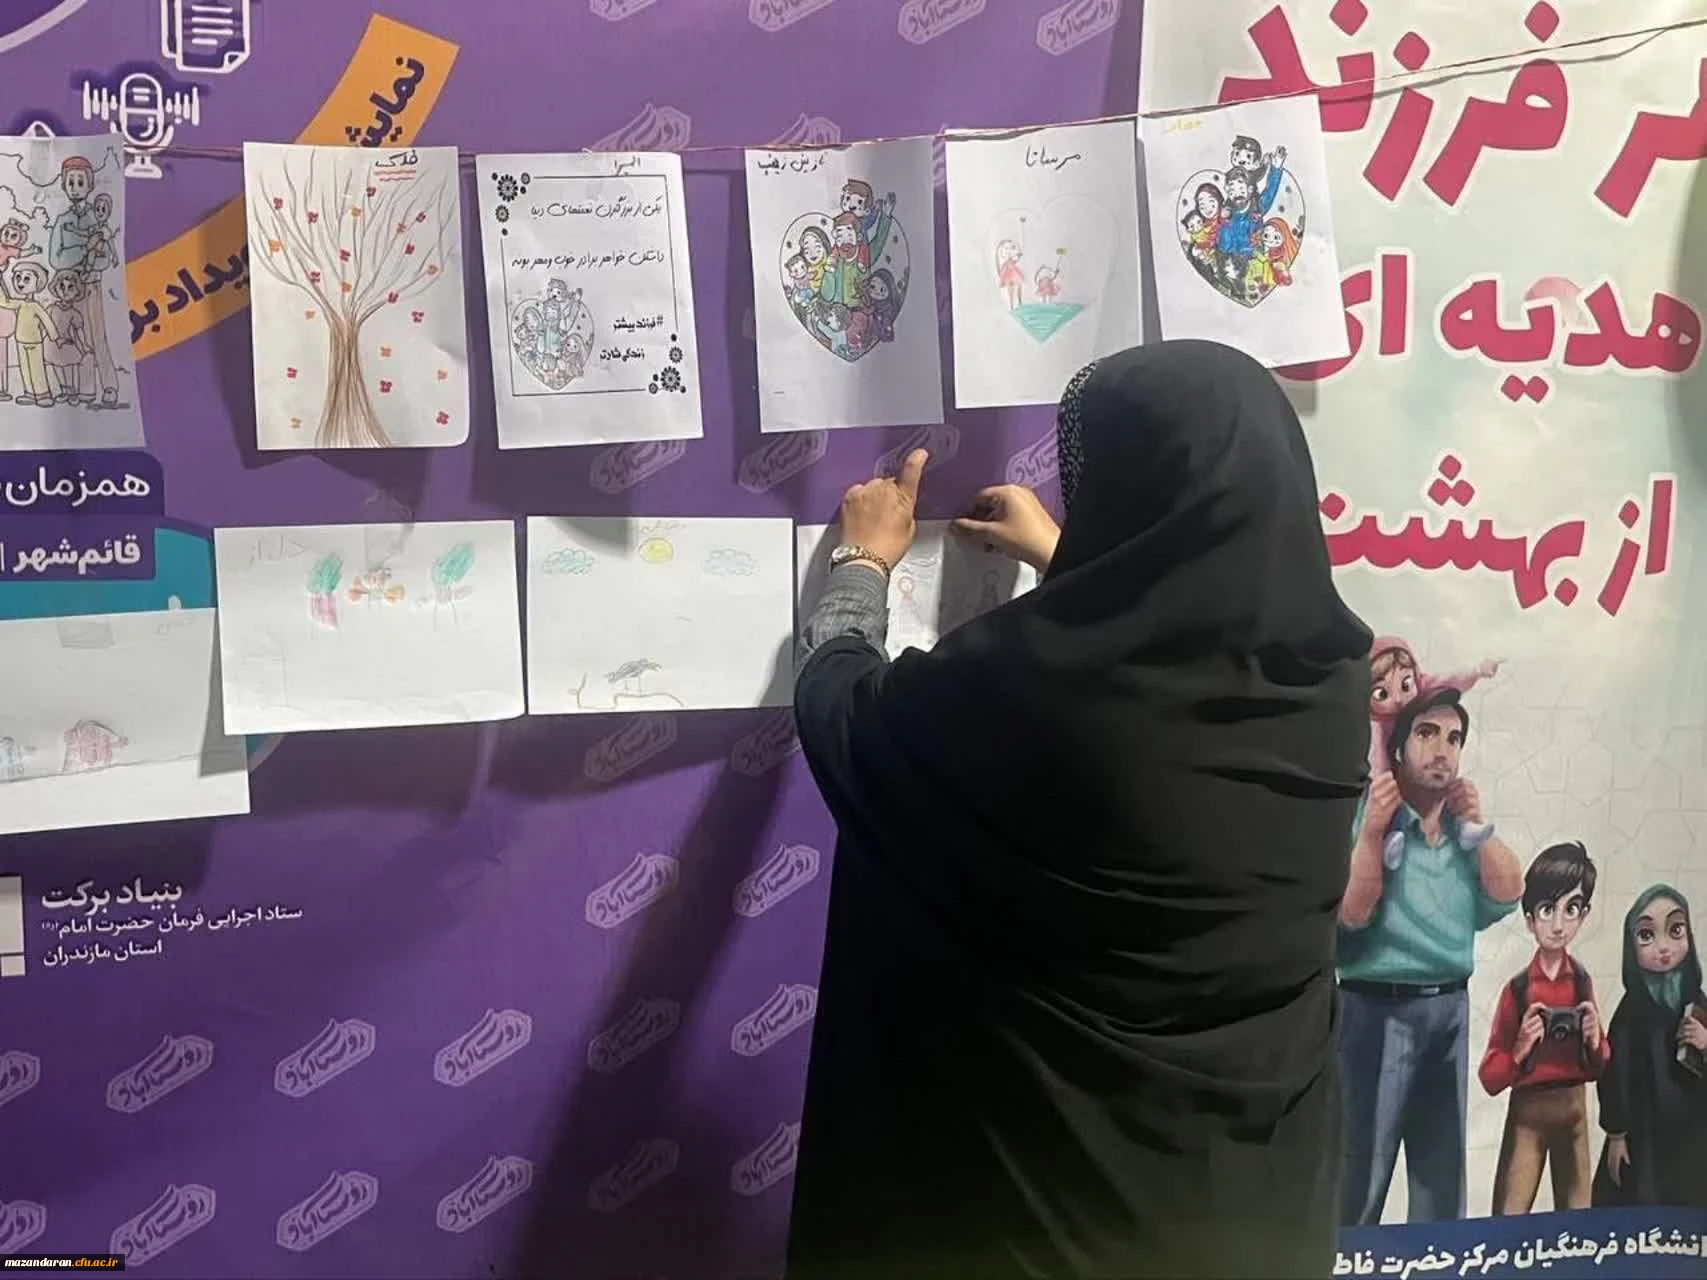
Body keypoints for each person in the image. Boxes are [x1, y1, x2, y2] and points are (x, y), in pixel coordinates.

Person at [787, 341, 1373, 1278]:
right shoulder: (1325, 679)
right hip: (1260, 1203)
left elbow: (845, 717)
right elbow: (1169, 663)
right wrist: (1073, 560)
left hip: (1063, 1210)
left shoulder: (1037, 696)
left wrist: (861, 562)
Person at [1337, 686, 1524, 1225]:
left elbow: (1510, 892)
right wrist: (1373, 833)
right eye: (1427, 734)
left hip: (1448, 1009)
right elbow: (1352, 914)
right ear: (1398, 749)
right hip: (1375, 1009)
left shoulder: (1464, 833)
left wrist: (1477, 827)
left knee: (1441, 1182)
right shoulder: (1369, 816)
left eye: (1454, 738)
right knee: (1362, 1177)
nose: (1443, 750)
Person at [1477, 842, 1609, 1214]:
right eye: (1548, 910)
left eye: (1571, 909)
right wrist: (1519, 1049)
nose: (1558, 924)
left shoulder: (1581, 982)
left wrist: (1594, 1040)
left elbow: (1600, 1065)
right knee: (1509, 1217)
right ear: (1530, 918)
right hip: (1528, 1113)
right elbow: (1489, 1078)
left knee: (1578, 1220)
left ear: (1584, 914)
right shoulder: (1518, 990)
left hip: (1574, 1111)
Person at [1591, 884, 1707, 1209]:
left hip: (1693, 1130)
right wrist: (1616, 1134)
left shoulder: (1696, 1001)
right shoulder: (1631, 1011)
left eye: (1675, 930)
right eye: (1647, 935)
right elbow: (1614, 1073)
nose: (1664, 947)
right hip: (1645, 1132)